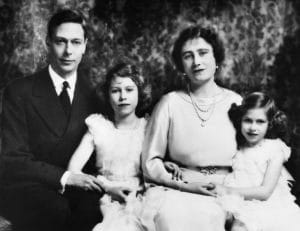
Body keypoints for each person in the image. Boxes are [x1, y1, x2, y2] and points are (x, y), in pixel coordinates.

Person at [0, 9, 103, 231]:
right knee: (56, 209)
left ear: (85, 45)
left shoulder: (95, 95)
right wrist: (66, 177)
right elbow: (13, 160)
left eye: (76, 42)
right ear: (48, 42)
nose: (68, 51)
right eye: (60, 42)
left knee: (94, 208)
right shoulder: (19, 91)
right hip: (26, 186)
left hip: (76, 189)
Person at [142, 25, 242, 231]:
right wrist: (185, 185)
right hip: (183, 189)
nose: (197, 62)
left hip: (229, 187)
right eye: (188, 56)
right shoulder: (169, 103)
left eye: (203, 53)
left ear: (217, 59)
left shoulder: (236, 102)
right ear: (181, 65)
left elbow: (253, 151)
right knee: (174, 218)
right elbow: (151, 162)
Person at [67, 62, 155, 231]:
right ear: (108, 95)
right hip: (106, 196)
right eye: (116, 91)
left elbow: (156, 164)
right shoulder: (99, 126)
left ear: (140, 92)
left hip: (140, 196)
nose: (123, 97)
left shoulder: (148, 127)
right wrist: (108, 187)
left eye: (129, 90)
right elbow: (73, 170)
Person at [212, 92, 300, 231]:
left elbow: (265, 192)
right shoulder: (238, 147)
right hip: (242, 203)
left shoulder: (275, 150)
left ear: (269, 124)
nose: (253, 127)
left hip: (270, 207)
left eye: (260, 122)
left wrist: (227, 190)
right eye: (248, 120)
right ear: (240, 120)